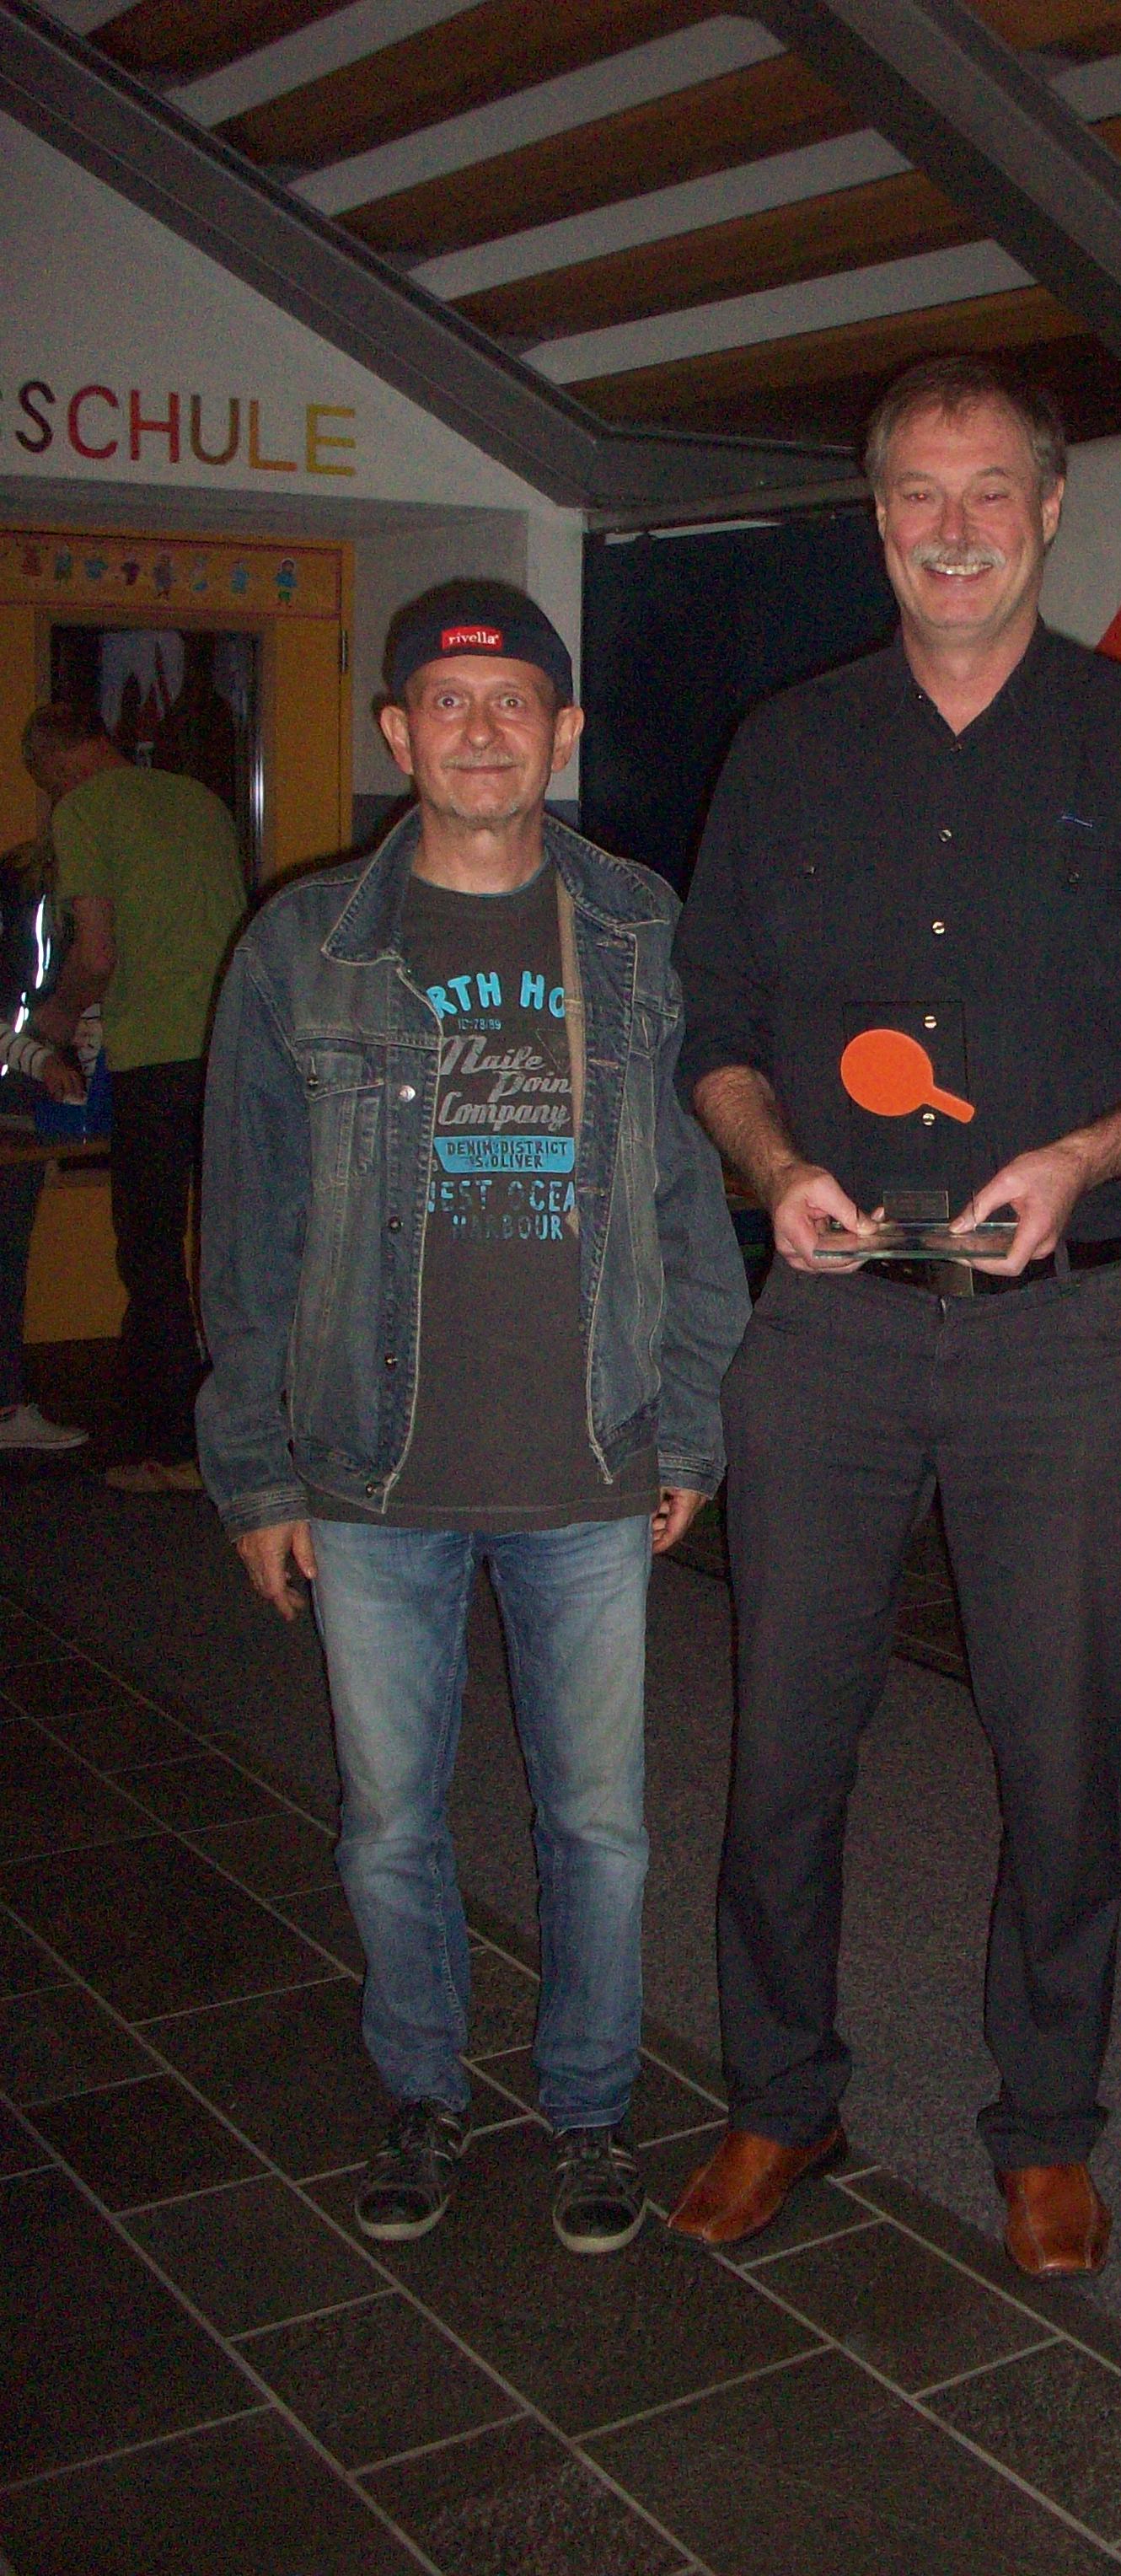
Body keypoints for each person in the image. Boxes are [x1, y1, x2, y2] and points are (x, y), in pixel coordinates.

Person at [667, 357, 1121, 2274]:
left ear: (1050, 506)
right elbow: (714, 1030)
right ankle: (781, 2096)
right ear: (875, 517)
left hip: (1052, 1337)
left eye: (988, 488)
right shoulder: (786, 746)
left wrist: (1083, 1154)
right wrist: (772, 1165)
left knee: (1059, 1749)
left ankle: (1048, 2122)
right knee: (783, 1747)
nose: (952, 526)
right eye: (916, 492)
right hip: (826, 1324)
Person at [196, 581, 748, 2254]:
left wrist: (690, 1424)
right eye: (450, 703)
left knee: (601, 1829)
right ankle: (422, 2090)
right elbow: (249, 1224)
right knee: (389, 1824)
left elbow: (689, 1201)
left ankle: (589, 2109)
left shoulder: (640, 929)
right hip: (370, 1470)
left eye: (517, 700)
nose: (484, 728)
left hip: (590, 1460)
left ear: (564, 732)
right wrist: (255, 1470)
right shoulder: (305, 945)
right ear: (399, 733)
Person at [22, 702, 246, 1493]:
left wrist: (53, 1017)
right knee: (228, 1247)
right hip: (234, 1044)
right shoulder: (200, 799)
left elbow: (97, 954)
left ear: (54, 765)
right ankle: (244, 1437)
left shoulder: (83, 811)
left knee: (149, 1251)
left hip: (156, 1051)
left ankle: (173, 1448)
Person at [0, 835, 88, 1454]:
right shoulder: (30, 914)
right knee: (6, 1255)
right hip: (13, 1103)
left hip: (22, 1100)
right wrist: (44, 1061)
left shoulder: (41, 914)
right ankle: (6, 1406)